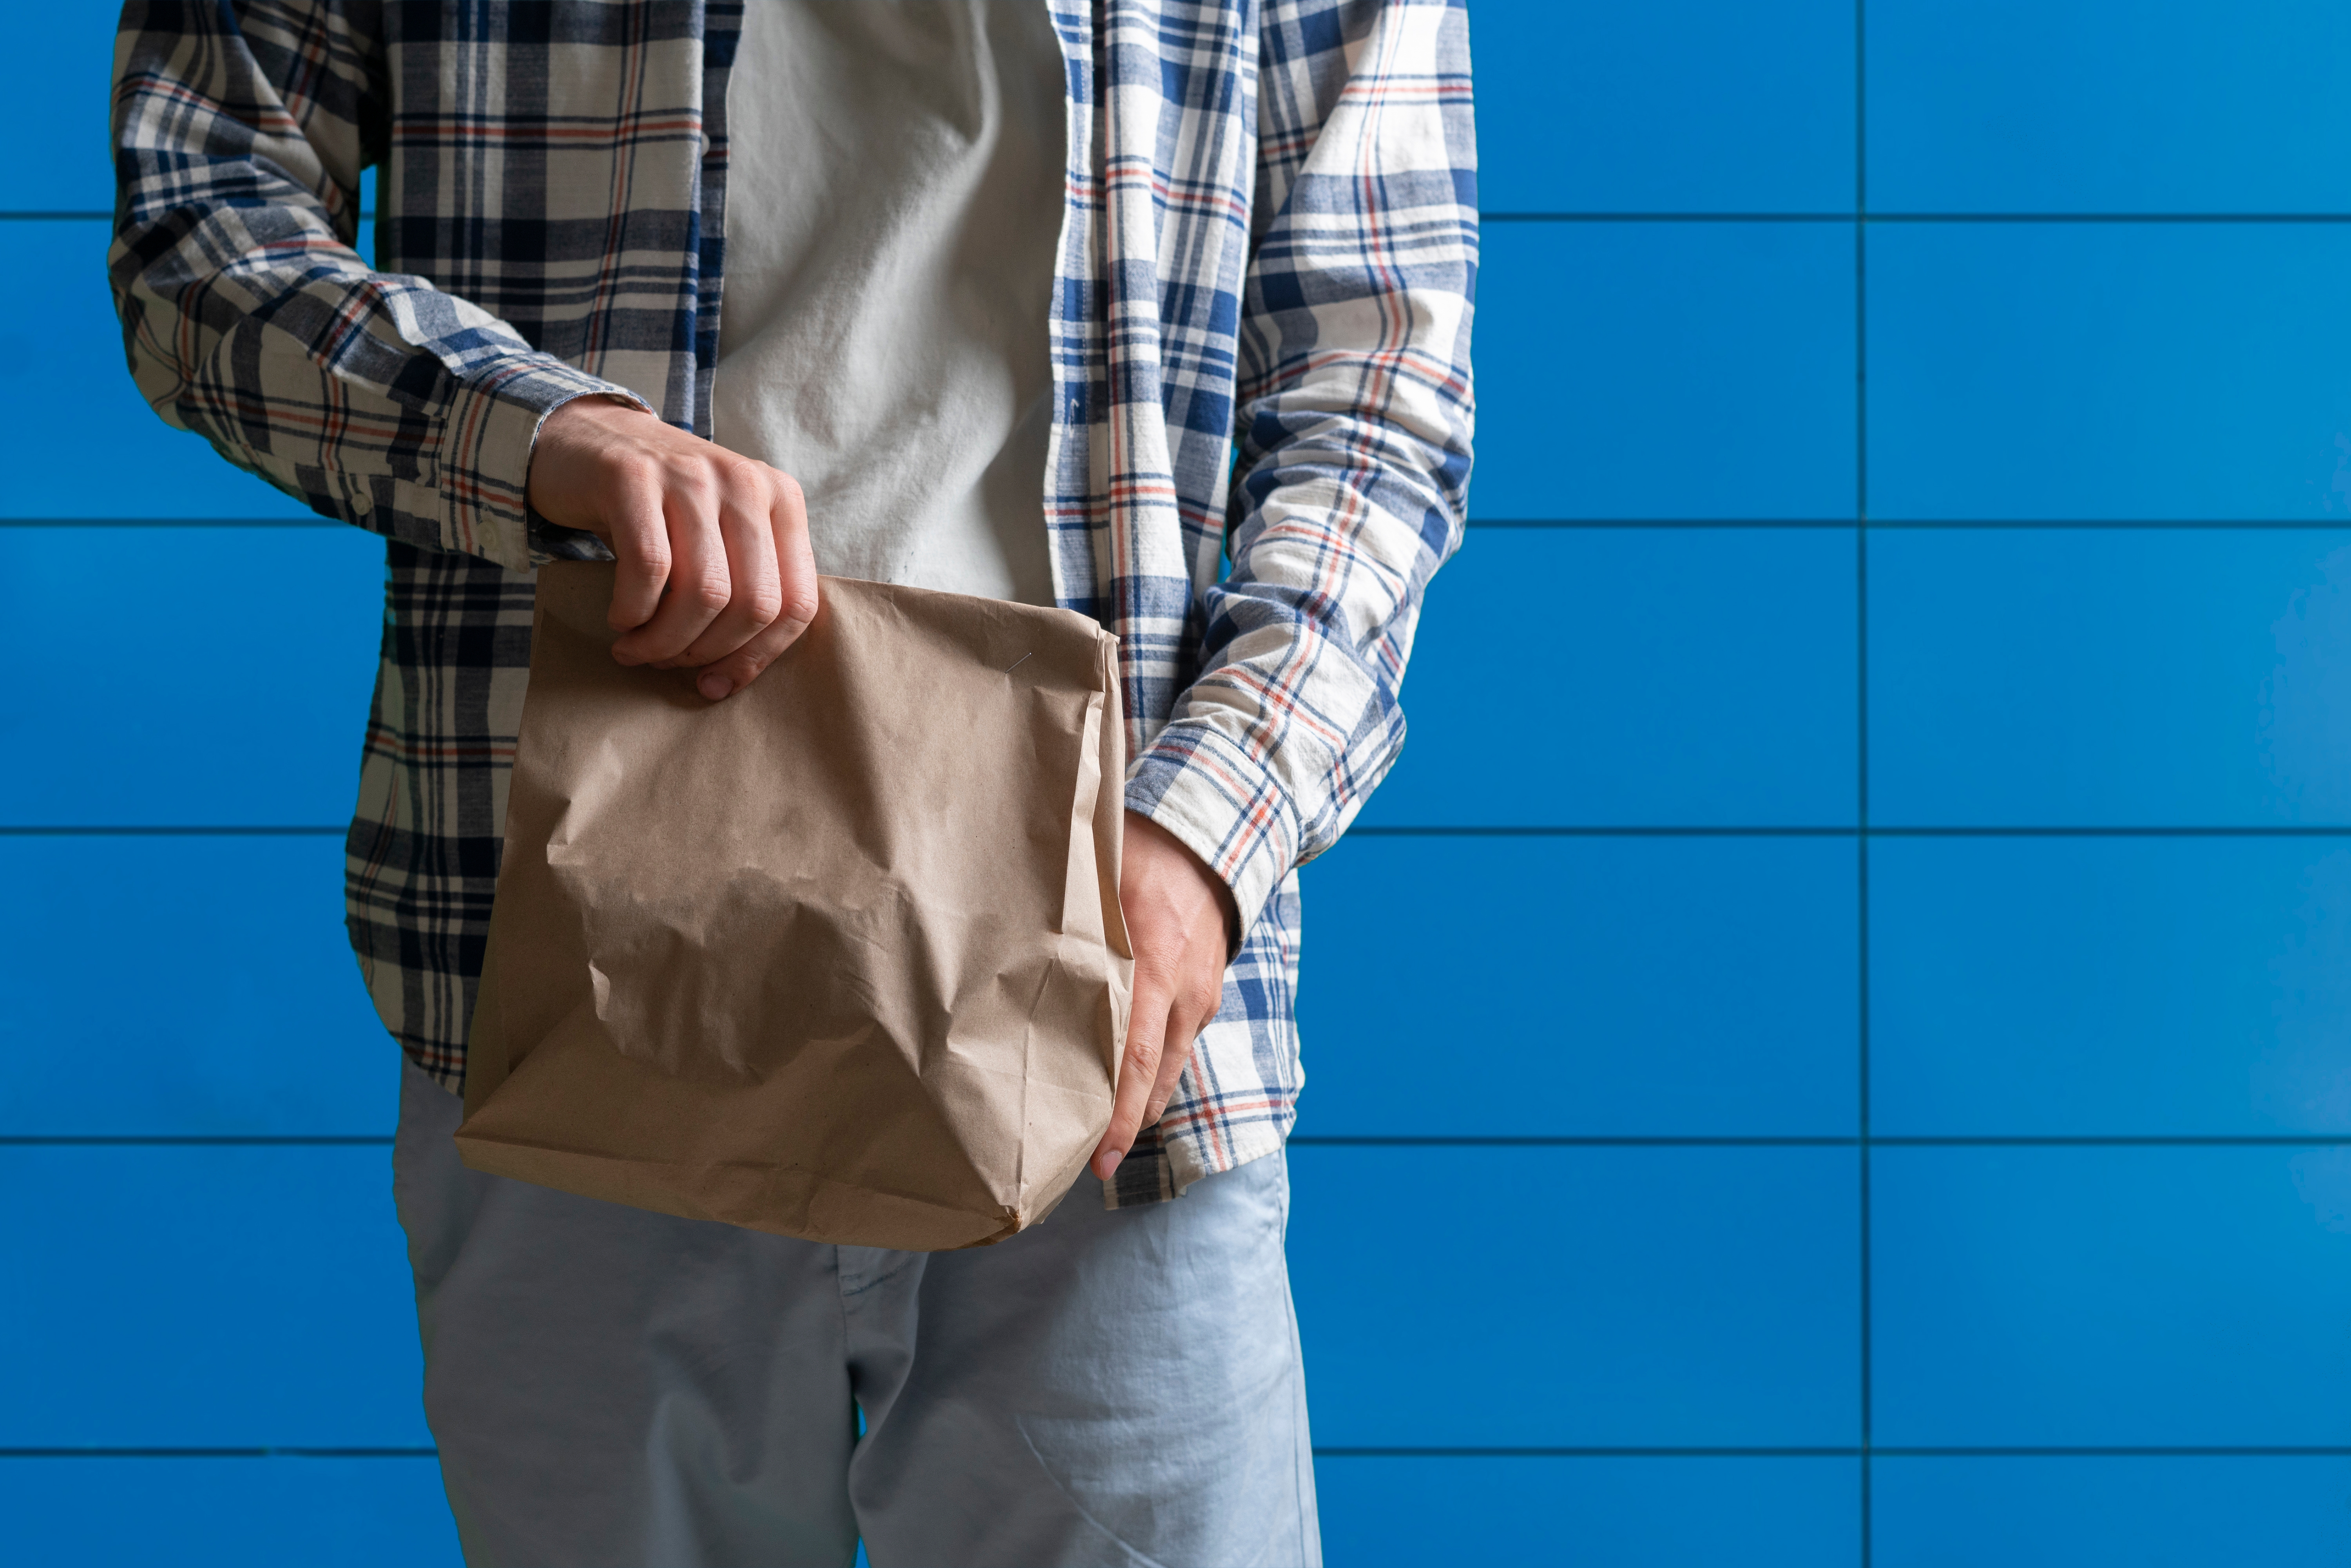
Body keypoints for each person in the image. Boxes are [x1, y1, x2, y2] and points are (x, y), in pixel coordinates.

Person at [109, 0, 1474, 1561]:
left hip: (1109, 986)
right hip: (581, 957)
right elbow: (201, 222)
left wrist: (1207, 833)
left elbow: (1373, 392)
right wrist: (538, 434)